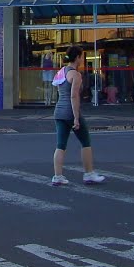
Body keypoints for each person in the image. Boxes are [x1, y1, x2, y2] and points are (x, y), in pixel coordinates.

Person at [51, 46, 105, 186]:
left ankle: (57, 176)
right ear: (78, 57)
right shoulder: (76, 75)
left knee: (60, 145)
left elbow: (61, 92)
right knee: (85, 142)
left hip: (59, 111)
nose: (82, 59)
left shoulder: (61, 71)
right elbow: (74, 96)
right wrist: (76, 117)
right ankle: (89, 174)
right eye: (81, 56)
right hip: (70, 112)